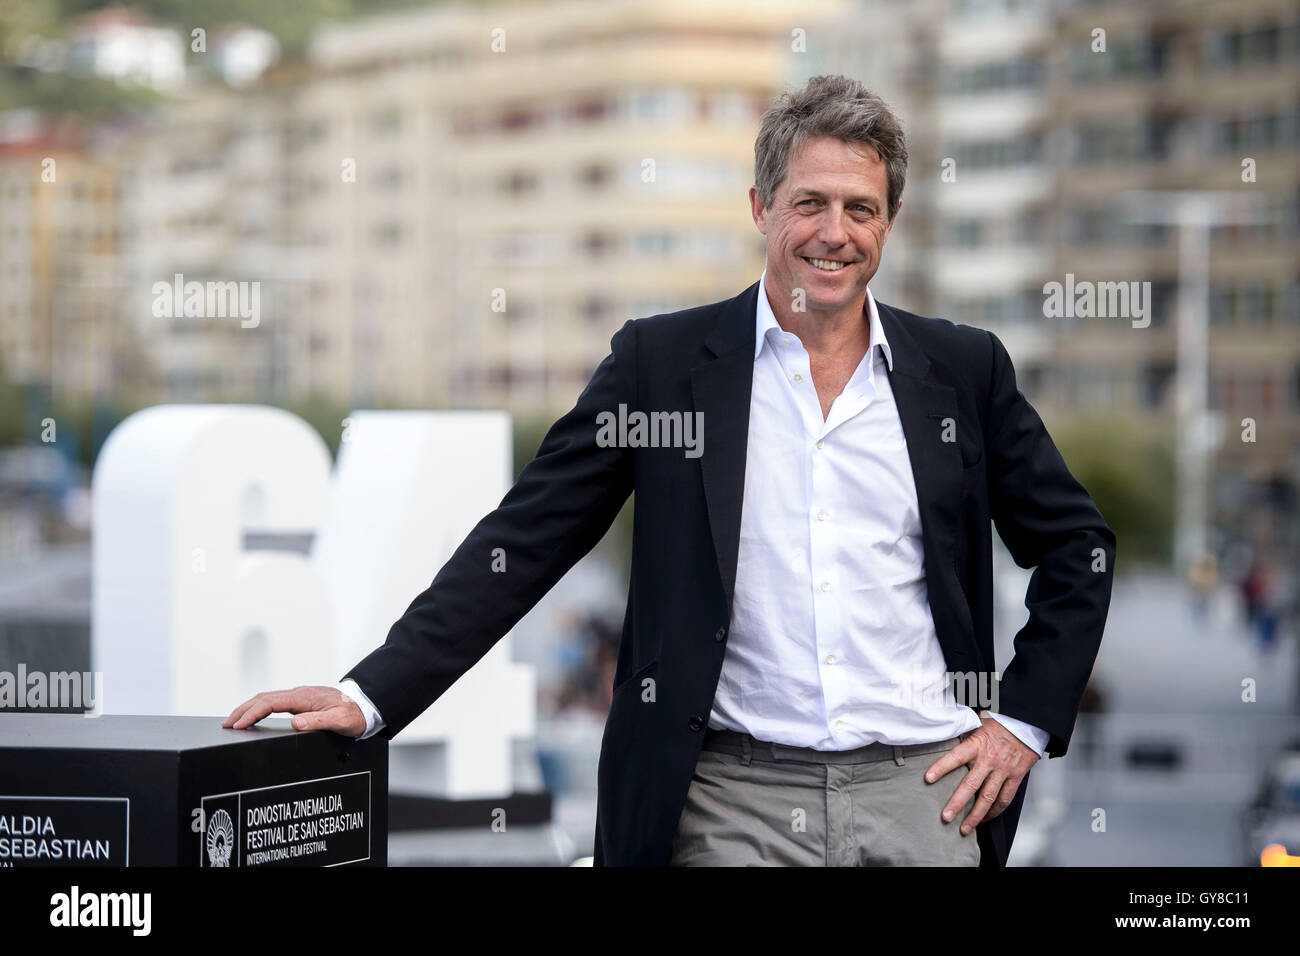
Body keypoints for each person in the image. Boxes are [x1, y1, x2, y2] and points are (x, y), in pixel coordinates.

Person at [225, 74, 1116, 866]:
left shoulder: (963, 370)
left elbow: (1077, 546)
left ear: (889, 221)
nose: (834, 234)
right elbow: (526, 541)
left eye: (860, 209)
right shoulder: (662, 365)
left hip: (925, 796)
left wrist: (1022, 725)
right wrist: (369, 693)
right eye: (809, 203)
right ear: (761, 206)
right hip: (728, 801)